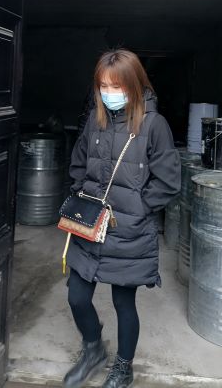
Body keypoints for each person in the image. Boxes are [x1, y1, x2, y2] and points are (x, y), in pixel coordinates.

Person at [63, 49, 181, 388]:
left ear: (134, 84)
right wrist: (80, 194)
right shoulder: (95, 120)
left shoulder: (153, 125)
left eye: (116, 86)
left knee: (123, 302)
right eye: (103, 86)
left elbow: (169, 181)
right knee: (76, 296)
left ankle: (123, 367)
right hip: (90, 224)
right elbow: (78, 162)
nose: (109, 93)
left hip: (129, 230)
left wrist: (139, 208)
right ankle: (93, 349)